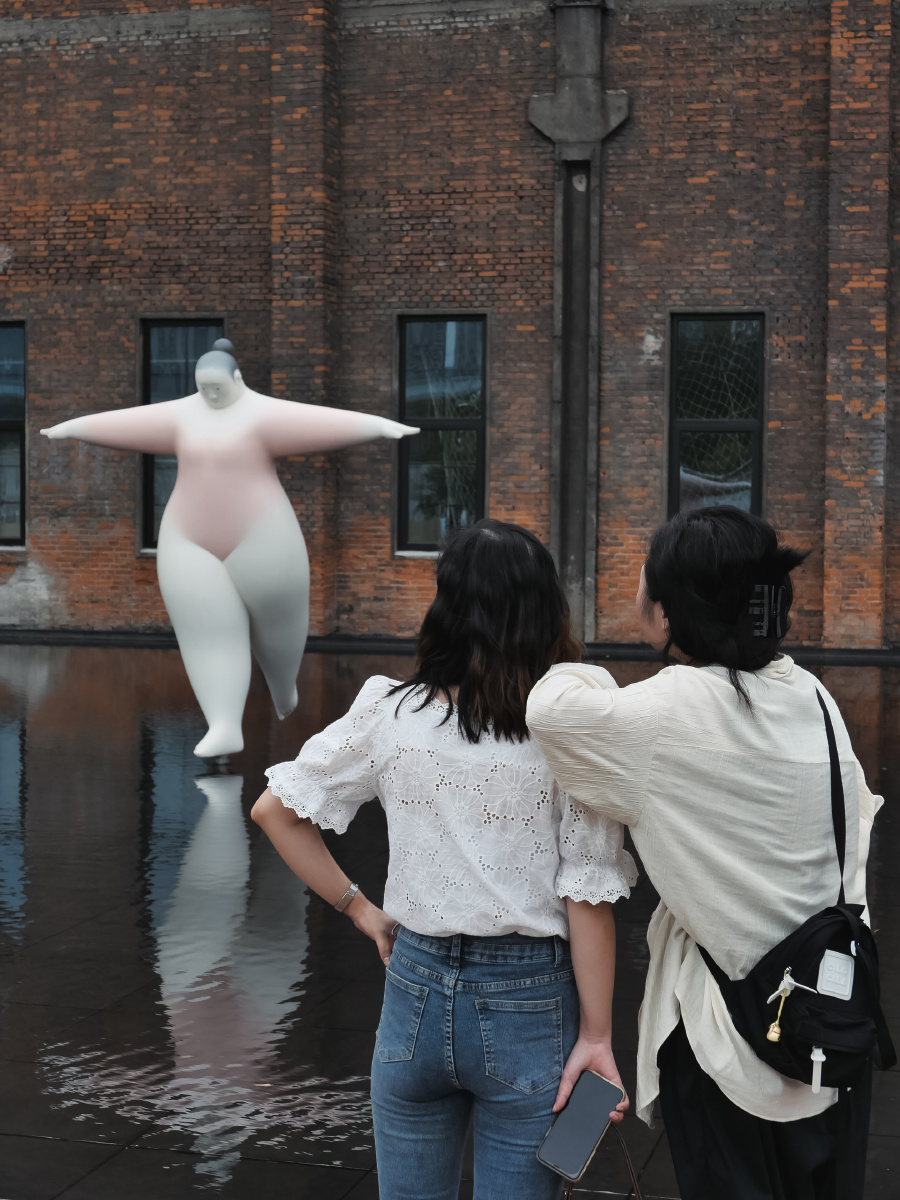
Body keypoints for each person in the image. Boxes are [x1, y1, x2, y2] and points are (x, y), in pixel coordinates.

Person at [251, 519, 636, 1200]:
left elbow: (275, 811)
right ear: (545, 609)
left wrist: (361, 910)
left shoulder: (390, 713)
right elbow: (587, 894)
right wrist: (598, 1036)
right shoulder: (570, 727)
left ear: (446, 608)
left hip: (414, 993)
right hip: (528, 1002)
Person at [526, 506, 882, 1200]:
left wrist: (596, 678)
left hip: (733, 1045)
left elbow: (551, 710)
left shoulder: (668, 709)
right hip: (831, 1028)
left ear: (668, 614)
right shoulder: (813, 693)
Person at [41, 339, 418, 757]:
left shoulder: (262, 413)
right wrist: (70, 428)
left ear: (237, 379)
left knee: (279, 624)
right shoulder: (182, 415)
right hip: (188, 538)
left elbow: (323, 423)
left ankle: (282, 685)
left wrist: (381, 426)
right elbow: (122, 424)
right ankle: (223, 723)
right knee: (207, 632)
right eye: (204, 388)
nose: (211, 395)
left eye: (217, 387)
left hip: (263, 533)